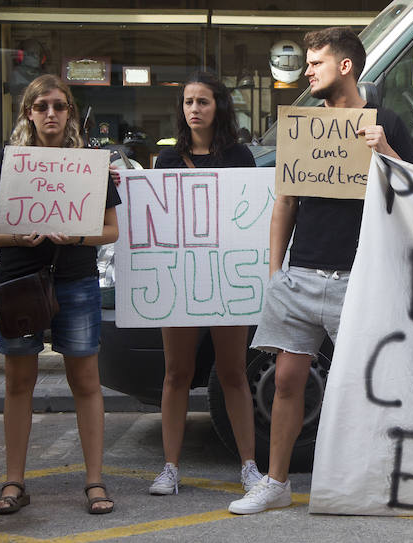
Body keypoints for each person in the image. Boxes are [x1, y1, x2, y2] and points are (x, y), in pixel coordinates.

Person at [227, 26, 413, 515]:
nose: (306, 71)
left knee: (367, 385)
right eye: (308, 63)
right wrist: (276, 272)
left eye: (316, 62)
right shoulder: (303, 126)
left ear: (346, 66)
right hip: (303, 273)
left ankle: (373, 482)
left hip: (361, 276)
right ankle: (276, 482)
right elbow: (285, 203)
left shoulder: (386, 123)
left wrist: (388, 154)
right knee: (287, 379)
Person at [0, 74, 119, 514]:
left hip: (75, 280)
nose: (51, 114)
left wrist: (76, 238)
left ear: (70, 111)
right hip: (20, 279)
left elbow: (111, 230)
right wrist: (17, 237)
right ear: (29, 113)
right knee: (19, 383)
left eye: (59, 106)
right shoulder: (11, 161)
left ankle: (95, 482)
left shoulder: (89, 163)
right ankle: (14, 481)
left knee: (86, 382)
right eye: (42, 107)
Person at [147, 71, 263, 496]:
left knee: (233, 372)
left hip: (225, 278)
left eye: (203, 102)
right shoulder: (167, 161)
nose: (194, 109)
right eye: (188, 102)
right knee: (176, 373)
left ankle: (249, 466)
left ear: (219, 107)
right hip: (181, 277)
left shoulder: (239, 157)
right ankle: (170, 468)